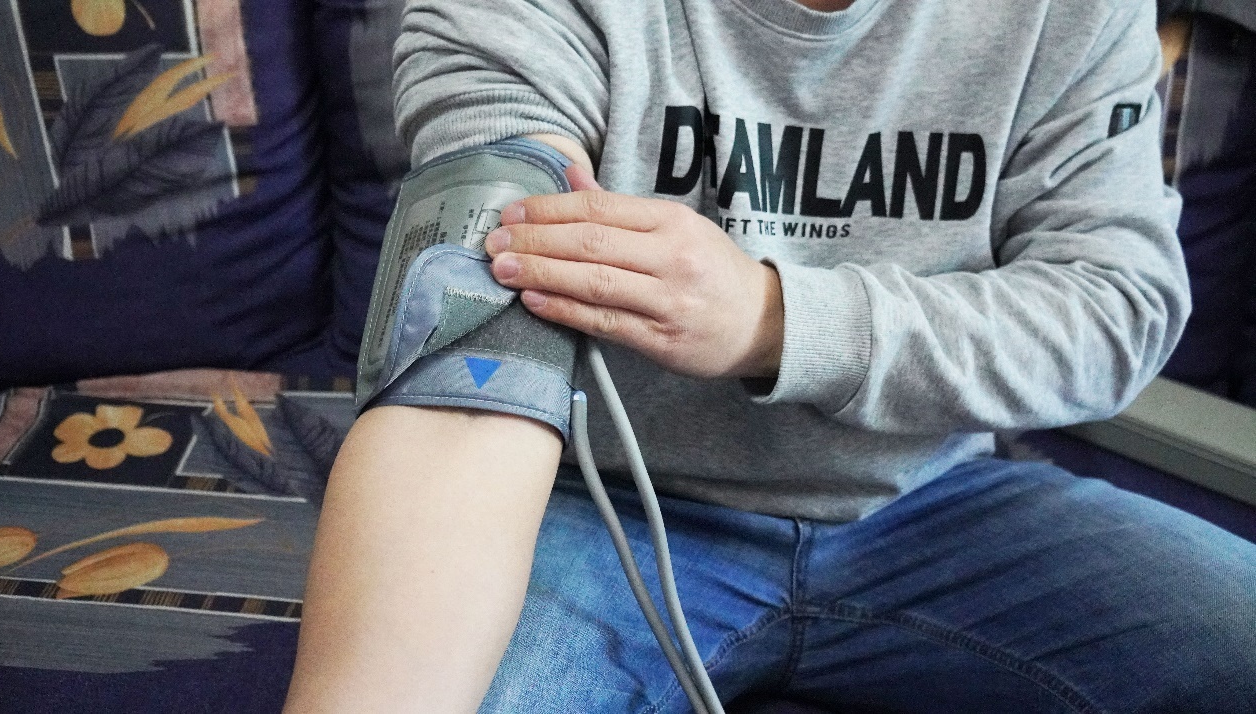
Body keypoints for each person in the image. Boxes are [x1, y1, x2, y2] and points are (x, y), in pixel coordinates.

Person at [284, 0, 1256, 711]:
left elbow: (1115, 309)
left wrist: (772, 320)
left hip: (932, 506)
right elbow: (471, 369)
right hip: (598, 510)